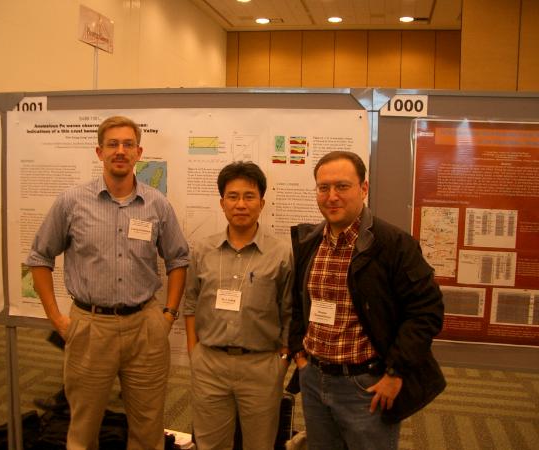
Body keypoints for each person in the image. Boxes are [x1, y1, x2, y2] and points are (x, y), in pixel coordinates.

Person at [26, 115, 189, 450]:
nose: (120, 151)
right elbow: (39, 258)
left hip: (145, 328)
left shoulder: (156, 204)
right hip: (90, 327)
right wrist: (57, 318)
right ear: (99, 152)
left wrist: (168, 315)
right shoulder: (72, 202)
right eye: (112, 144)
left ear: (139, 152)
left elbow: (178, 260)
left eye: (128, 144)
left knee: (148, 428)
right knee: (83, 429)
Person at [288, 151, 446, 450]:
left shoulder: (393, 245)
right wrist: (300, 355)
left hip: (365, 385)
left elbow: (426, 312)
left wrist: (396, 373)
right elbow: (298, 303)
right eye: (323, 188)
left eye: (342, 186)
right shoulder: (310, 242)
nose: (332, 196)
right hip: (314, 379)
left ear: (363, 188)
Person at [184, 161, 293, 450]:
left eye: (249, 196)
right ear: (222, 203)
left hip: (261, 365)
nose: (241, 204)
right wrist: (194, 351)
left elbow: (289, 310)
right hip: (210, 363)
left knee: (260, 444)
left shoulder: (281, 253)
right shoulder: (202, 250)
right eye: (233, 196)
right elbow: (191, 302)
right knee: (210, 444)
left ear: (262, 203)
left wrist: (282, 360)